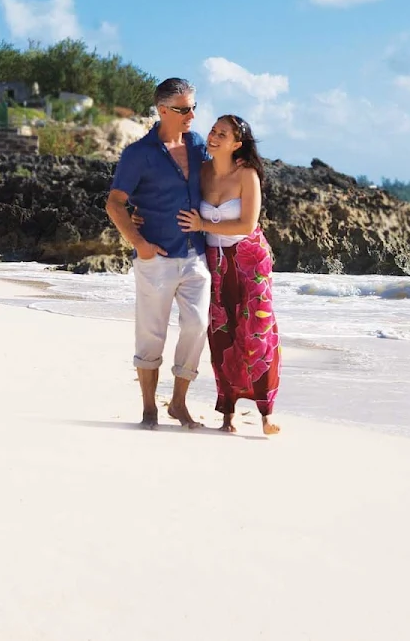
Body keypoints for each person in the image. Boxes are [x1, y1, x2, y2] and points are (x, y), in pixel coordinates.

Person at [105, 78, 211, 430]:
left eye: (194, 106)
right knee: (151, 334)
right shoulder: (138, 154)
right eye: (184, 109)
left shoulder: (197, 146)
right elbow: (115, 203)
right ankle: (149, 408)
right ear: (163, 111)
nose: (192, 114)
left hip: (196, 255)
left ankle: (178, 403)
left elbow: (222, 178)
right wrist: (139, 243)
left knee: (198, 324)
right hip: (157, 257)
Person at [176, 115, 282, 435]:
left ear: (236, 144)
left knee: (258, 332)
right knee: (222, 334)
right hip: (216, 263)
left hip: (251, 260)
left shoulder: (247, 175)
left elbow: (247, 224)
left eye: (223, 134)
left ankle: (266, 414)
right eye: (213, 131)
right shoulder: (202, 172)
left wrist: (203, 225)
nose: (214, 136)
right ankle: (227, 412)